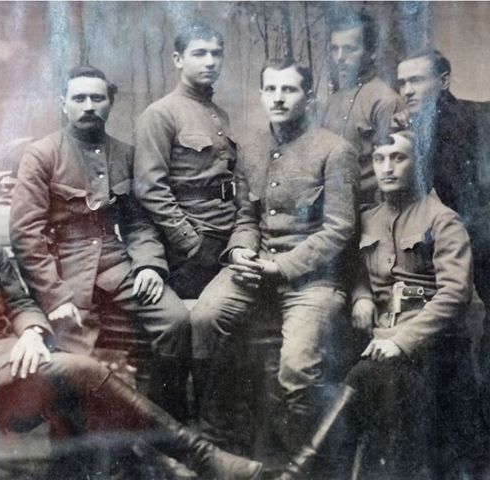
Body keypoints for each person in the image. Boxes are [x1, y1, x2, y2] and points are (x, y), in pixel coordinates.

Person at [0, 150, 263, 480]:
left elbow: (22, 301)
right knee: (81, 371)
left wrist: (32, 332)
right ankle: (198, 457)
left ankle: (136, 466)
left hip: (5, 360)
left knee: (82, 392)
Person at [278, 129, 480, 479]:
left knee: (368, 377)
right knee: (336, 371)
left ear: (418, 163)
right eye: (379, 158)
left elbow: (454, 295)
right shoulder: (369, 218)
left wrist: (401, 341)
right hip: (380, 337)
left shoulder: (442, 220)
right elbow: (357, 268)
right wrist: (361, 297)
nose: (387, 167)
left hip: (432, 344)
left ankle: (304, 469)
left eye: (398, 158)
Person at [189, 58, 359, 452]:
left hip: (312, 280)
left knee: (296, 368)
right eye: (271, 89)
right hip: (256, 266)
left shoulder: (335, 150)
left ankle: (301, 461)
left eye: (289, 89)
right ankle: (216, 439)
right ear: (261, 95)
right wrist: (241, 252)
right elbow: (246, 218)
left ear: (308, 96)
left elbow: (339, 229)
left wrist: (280, 267)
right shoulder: (251, 150)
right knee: (204, 318)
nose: (278, 98)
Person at [9, 66, 191, 420]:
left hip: (117, 266)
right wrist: (53, 296)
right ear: (63, 103)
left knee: (176, 321)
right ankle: (81, 445)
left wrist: (149, 265)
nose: (89, 106)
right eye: (79, 98)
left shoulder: (125, 154)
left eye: (97, 98)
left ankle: (160, 427)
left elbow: (138, 221)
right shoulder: (42, 154)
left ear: (110, 102)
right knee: (77, 363)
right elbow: (25, 233)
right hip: (64, 272)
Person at [397, 49, 490, 428]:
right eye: (402, 83)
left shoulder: (475, 118)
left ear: (444, 81)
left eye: (416, 80)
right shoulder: (419, 128)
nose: (407, 90)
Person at [134, 21, 237, 299]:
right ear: (178, 60)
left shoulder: (219, 114)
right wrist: (189, 241)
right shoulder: (160, 114)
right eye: (200, 53)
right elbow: (150, 189)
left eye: (216, 53)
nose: (210, 61)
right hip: (192, 244)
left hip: (226, 235)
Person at [322, 11, 404, 208]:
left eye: (349, 49)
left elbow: (394, 170)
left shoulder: (386, 101)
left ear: (372, 51)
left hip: (371, 210)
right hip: (332, 209)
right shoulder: (331, 103)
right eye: (334, 49)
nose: (340, 57)